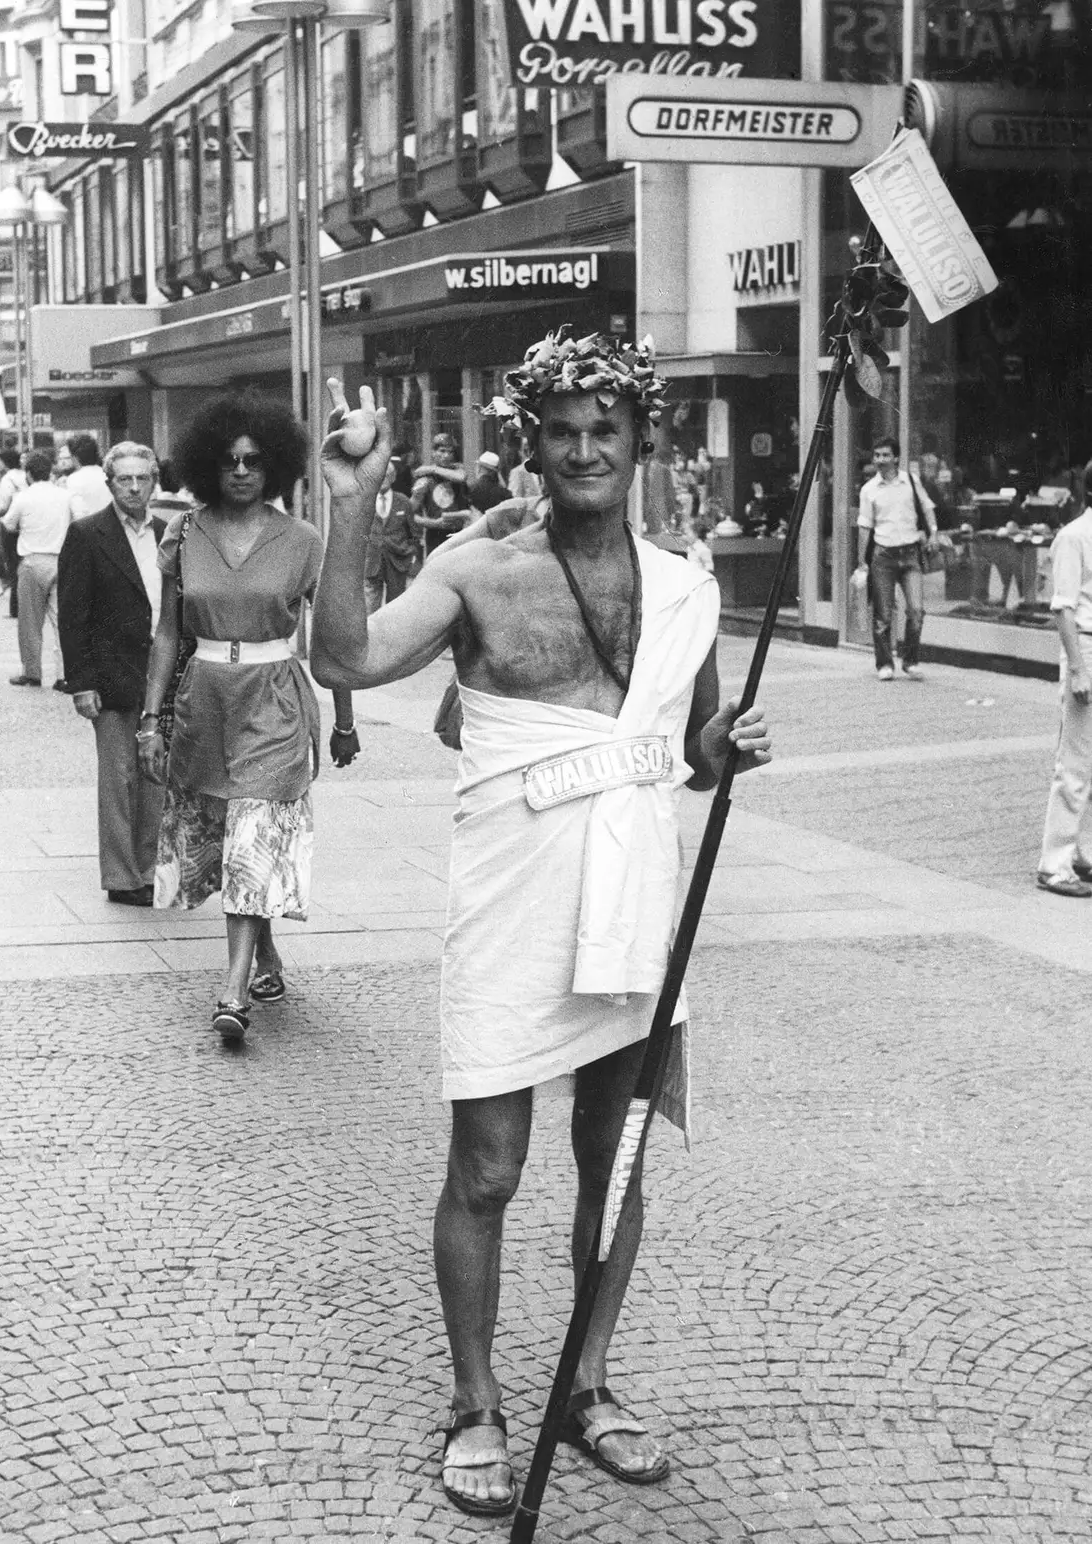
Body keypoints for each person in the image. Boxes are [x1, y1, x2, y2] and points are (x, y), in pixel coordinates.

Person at [311, 328, 771, 1517]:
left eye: (604, 429)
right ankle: (477, 1404)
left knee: (613, 1165)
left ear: (641, 439)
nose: (583, 450)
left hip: (635, 898)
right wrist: (351, 503)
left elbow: (690, 751)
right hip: (512, 898)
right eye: (561, 431)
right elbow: (345, 657)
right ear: (533, 444)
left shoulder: (687, 588)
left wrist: (724, 747)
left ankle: (587, 1384)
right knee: (488, 1167)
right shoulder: (478, 574)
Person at [135, 393, 360, 1044]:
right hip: (204, 701)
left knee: (254, 836)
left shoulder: (303, 540)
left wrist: (344, 720)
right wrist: (150, 721)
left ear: (275, 466)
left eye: (254, 460)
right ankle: (265, 956)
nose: (241, 470)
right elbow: (167, 633)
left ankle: (233, 991)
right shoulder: (184, 533)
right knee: (227, 836)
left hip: (275, 698)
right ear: (208, 464)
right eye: (229, 459)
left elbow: (335, 638)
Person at [58, 442, 167, 906]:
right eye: (125, 479)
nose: (135, 487)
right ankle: (123, 878)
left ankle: (149, 869)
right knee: (120, 777)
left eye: (142, 478)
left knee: (156, 775)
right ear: (110, 483)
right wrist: (81, 683)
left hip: (161, 672)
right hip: (111, 675)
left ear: (154, 481)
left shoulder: (167, 532)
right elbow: (72, 615)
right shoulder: (87, 535)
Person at [1037, 462, 1092, 898]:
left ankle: (1080, 852)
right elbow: (1063, 608)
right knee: (1074, 761)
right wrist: (1077, 668)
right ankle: (1054, 865)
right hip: (1086, 648)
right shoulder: (1074, 536)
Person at [855, 436, 939, 681]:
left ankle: (910, 661)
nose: (880, 460)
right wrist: (862, 560)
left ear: (896, 458)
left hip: (910, 554)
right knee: (883, 615)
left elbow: (927, 508)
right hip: (884, 555)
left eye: (885, 455)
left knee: (916, 610)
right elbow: (864, 526)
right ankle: (884, 664)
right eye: (877, 455)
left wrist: (934, 533)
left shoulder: (910, 481)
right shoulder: (869, 490)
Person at [2, 448, 71, 688]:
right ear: (50, 471)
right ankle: (64, 675)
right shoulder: (65, 496)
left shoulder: (23, 497)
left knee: (30, 622)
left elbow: (8, 524)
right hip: (62, 560)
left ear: (28, 474)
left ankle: (32, 672)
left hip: (32, 562)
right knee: (62, 620)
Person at [365, 454, 419, 612]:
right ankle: (373, 629)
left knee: (395, 607)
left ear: (393, 478)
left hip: (397, 561)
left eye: (386, 476)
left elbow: (414, 533)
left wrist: (409, 556)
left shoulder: (403, 501)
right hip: (372, 561)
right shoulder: (365, 501)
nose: (382, 479)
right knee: (370, 607)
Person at [411, 432, 472, 556]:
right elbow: (410, 513)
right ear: (433, 452)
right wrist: (433, 523)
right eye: (442, 451)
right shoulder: (425, 480)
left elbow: (461, 477)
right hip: (435, 535)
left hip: (459, 532)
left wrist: (432, 469)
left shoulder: (457, 470)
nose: (446, 456)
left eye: (450, 452)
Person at [0, 447, 25, 616]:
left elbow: (4, 506)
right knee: (21, 562)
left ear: (5, 461)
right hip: (25, 523)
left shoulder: (7, 479)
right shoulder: (25, 474)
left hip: (10, 524)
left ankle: (15, 607)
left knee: (9, 562)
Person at [65, 434, 113, 520]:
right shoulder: (108, 475)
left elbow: (78, 512)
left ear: (75, 458)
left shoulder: (74, 479)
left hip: (89, 525)